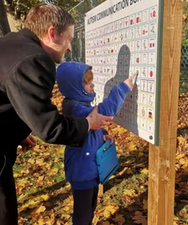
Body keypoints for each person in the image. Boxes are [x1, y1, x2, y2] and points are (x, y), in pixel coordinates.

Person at [0, 3, 113, 225]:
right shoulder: (34, 59)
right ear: (53, 33)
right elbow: (50, 128)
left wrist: (15, 130)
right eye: (69, 38)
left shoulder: (4, 46)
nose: (70, 48)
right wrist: (87, 123)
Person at [56, 61, 135, 225]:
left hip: (88, 169)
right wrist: (122, 89)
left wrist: (102, 135)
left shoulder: (80, 105)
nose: (93, 86)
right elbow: (102, 114)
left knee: (90, 207)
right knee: (83, 214)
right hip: (81, 170)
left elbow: (90, 127)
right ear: (74, 87)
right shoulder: (74, 108)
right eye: (88, 83)